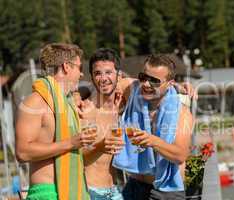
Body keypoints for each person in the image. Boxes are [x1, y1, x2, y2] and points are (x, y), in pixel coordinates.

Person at [15, 43, 97, 200]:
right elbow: (22, 152)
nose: (81, 75)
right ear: (66, 66)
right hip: (47, 193)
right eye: (79, 68)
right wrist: (71, 143)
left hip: (76, 190)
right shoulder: (35, 102)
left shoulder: (69, 104)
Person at [113, 54, 194, 200]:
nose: (146, 84)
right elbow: (105, 86)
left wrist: (151, 140)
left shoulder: (182, 113)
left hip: (166, 191)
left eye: (154, 81)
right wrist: (78, 96)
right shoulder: (133, 89)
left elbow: (180, 155)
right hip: (135, 184)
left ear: (169, 84)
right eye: (143, 77)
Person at [81, 48, 125, 200]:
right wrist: (100, 146)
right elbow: (76, 156)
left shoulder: (120, 106)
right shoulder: (85, 110)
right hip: (91, 191)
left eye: (108, 72)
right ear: (92, 77)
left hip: (117, 190)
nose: (103, 78)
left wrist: (179, 88)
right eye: (98, 73)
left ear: (118, 75)